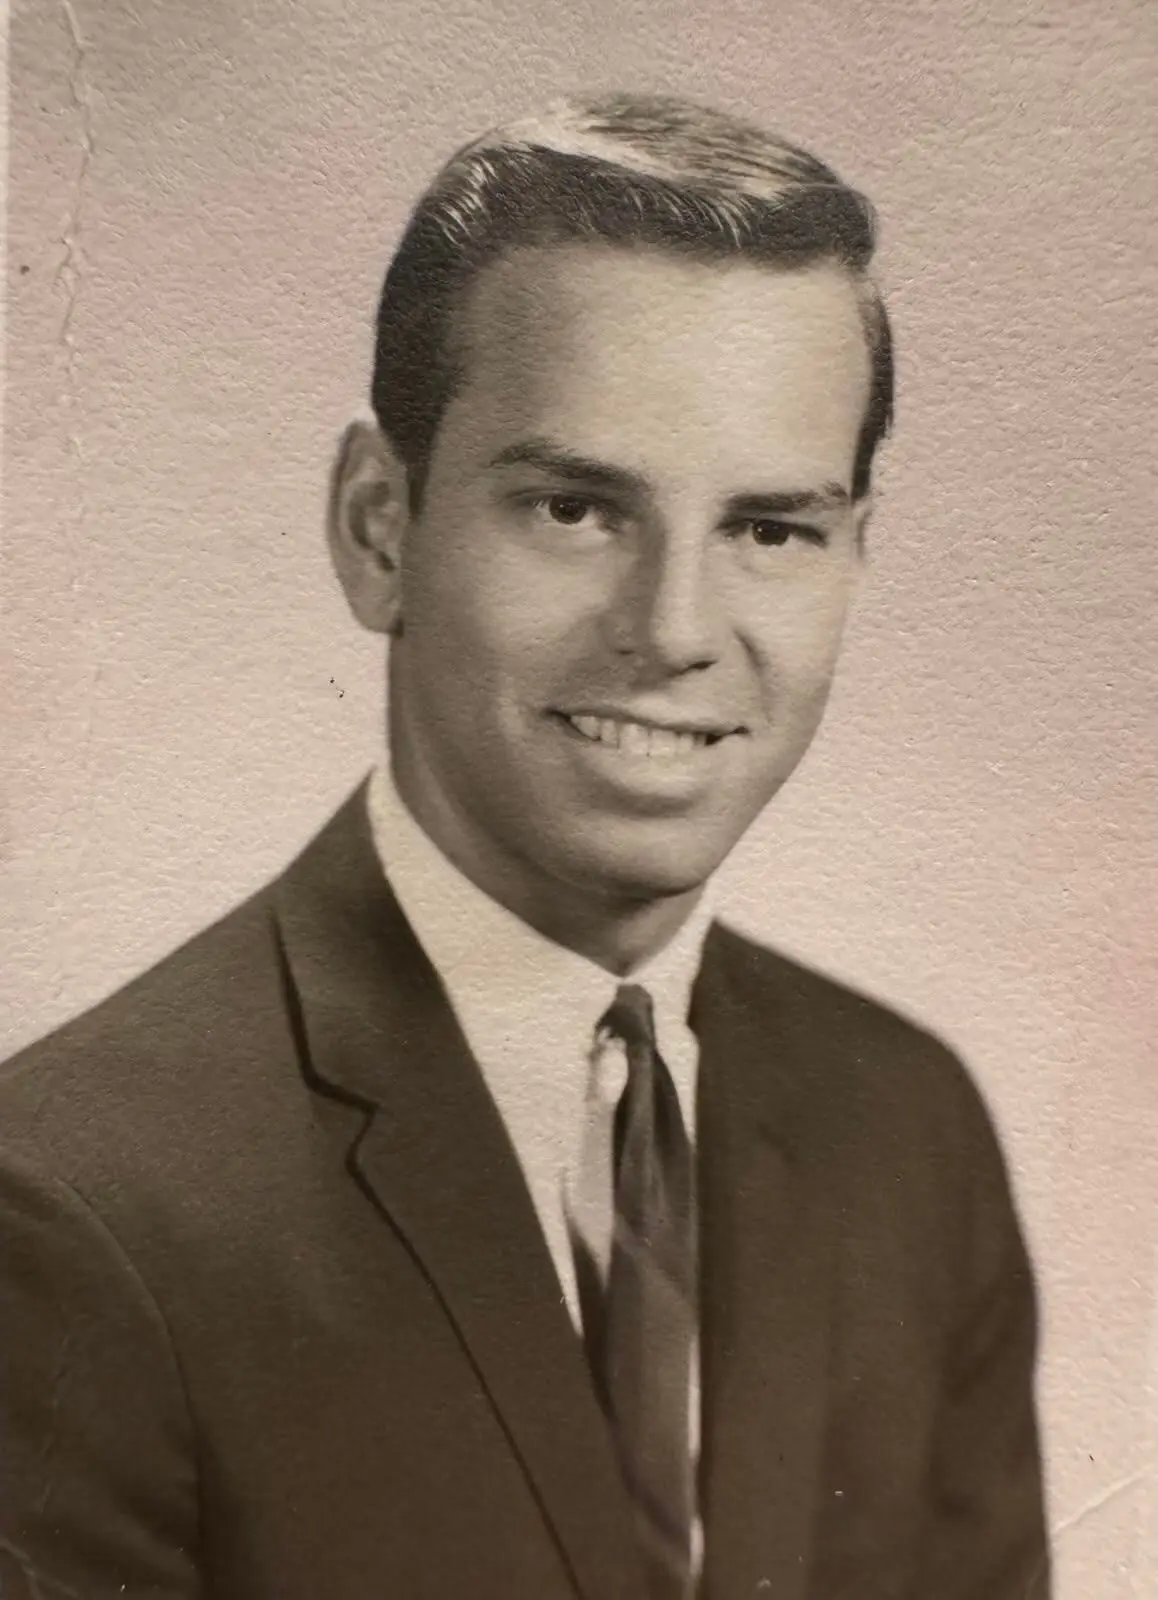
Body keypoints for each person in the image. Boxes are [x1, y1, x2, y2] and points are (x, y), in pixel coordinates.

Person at [0, 93, 1050, 1599]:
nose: (676, 633)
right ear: (378, 528)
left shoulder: (909, 1131)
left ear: (854, 558)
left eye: (771, 528)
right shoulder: (66, 1208)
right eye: (574, 507)